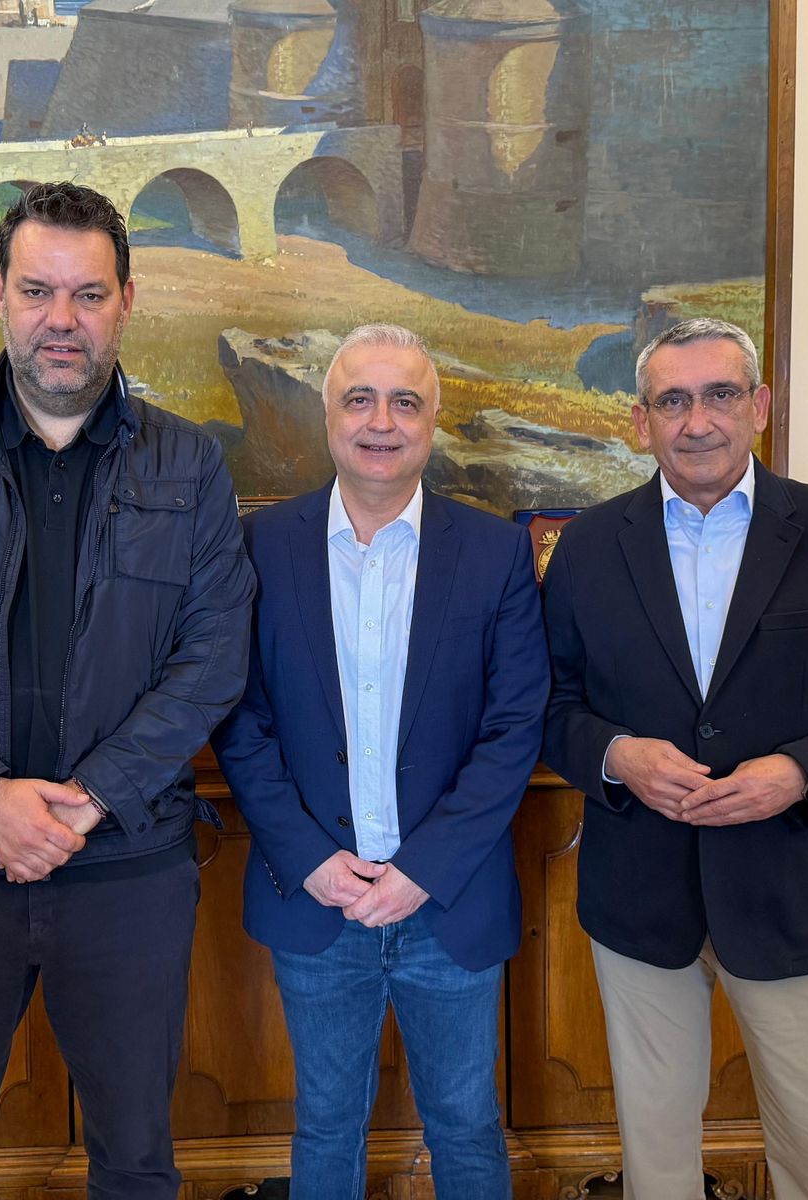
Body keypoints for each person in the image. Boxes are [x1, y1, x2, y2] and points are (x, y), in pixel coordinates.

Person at [0, 181, 255, 1200]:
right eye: (37, 291)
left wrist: (94, 797)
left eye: (87, 294)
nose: (60, 319)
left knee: (135, 1167)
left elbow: (213, 656)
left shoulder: (192, 466)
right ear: (0, 293)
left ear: (125, 301)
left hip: (125, 869)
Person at [541, 317, 808, 1198]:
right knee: (656, 1164)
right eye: (672, 401)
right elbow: (552, 705)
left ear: (759, 405)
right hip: (641, 901)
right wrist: (618, 755)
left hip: (794, 893)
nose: (698, 422)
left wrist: (799, 773)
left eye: (720, 394)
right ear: (639, 421)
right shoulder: (587, 547)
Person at [211, 324, 547, 1199]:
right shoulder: (259, 547)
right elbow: (240, 720)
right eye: (359, 399)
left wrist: (423, 871)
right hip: (317, 898)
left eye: (405, 402)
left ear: (433, 420)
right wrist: (310, 860)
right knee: (325, 1125)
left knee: (467, 1126)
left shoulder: (495, 553)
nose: (381, 422)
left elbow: (514, 727)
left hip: (450, 901)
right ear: (327, 414)